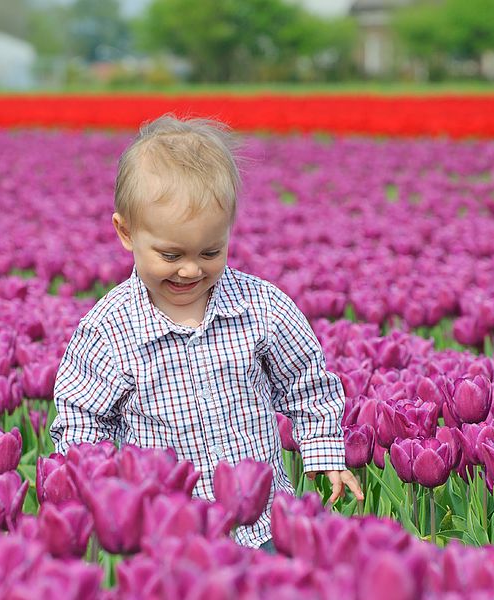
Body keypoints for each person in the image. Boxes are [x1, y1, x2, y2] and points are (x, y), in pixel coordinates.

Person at [49, 114, 363, 552]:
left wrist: (324, 452)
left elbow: (307, 384)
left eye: (211, 251)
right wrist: (105, 490)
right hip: (171, 535)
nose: (191, 269)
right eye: (170, 254)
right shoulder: (109, 330)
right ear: (126, 233)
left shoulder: (261, 308)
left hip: (266, 526)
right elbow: (81, 419)